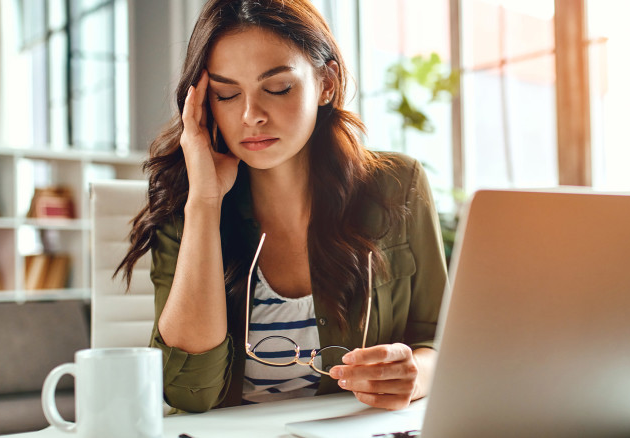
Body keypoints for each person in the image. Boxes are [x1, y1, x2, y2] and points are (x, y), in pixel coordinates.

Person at [116, 0, 447, 413]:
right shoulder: (185, 202)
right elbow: (188, 391)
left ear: (327, 82)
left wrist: (414, 373)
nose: (251, 115)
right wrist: (204, 202)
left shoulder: (398, 185)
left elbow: (438, 337)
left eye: (277, 88)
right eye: (227, 94)